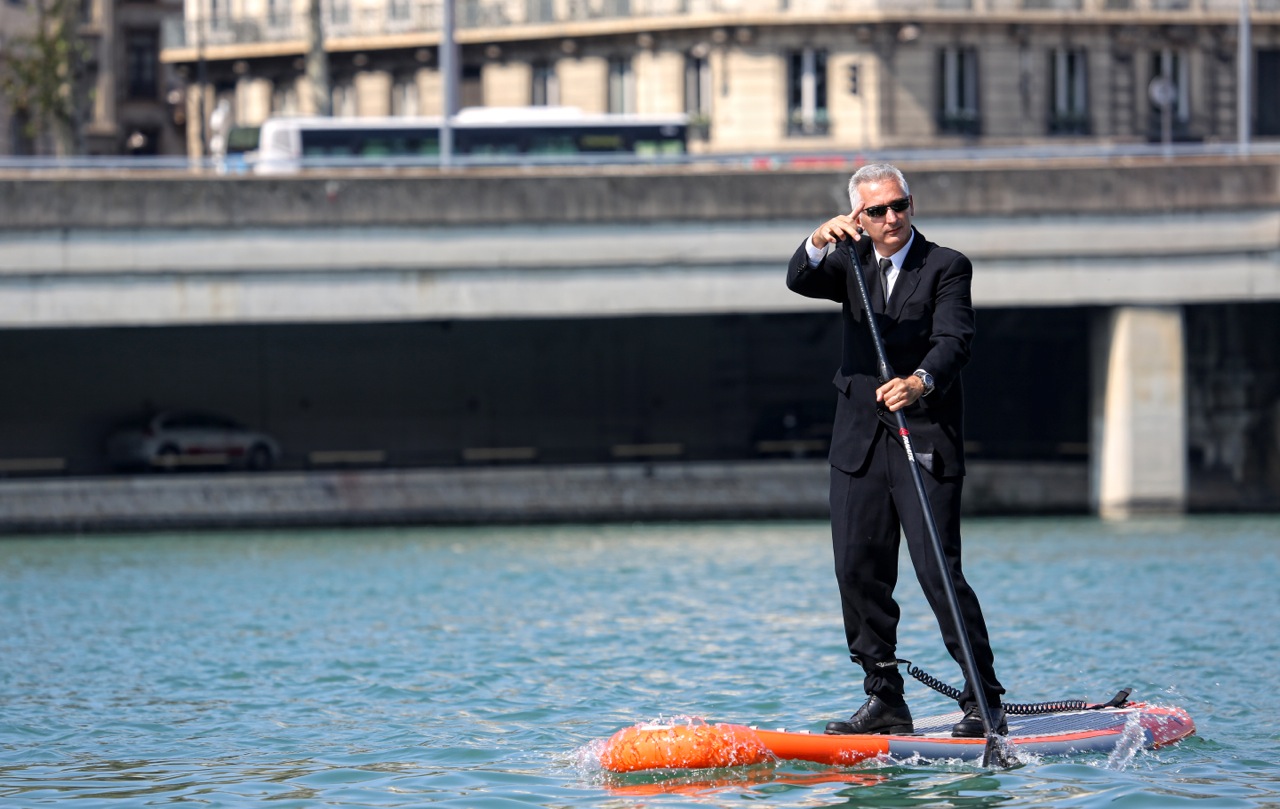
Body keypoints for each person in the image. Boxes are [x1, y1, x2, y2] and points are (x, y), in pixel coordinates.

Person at [785, 163, 1005, 738]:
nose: (891, 219)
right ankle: (885, 699)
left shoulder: (946, 266)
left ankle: (984, 698)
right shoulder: (849, 262)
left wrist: (919, 382)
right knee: (856, 569)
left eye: (899, 206)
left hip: (922, 437)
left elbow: (955, 341)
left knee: (937, 570)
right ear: (859, 216)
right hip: (858, 441)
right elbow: (798, 279)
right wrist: (816, 240)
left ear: (911, 205)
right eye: (877, 211)